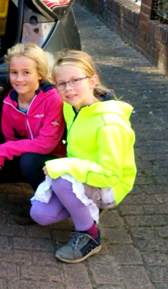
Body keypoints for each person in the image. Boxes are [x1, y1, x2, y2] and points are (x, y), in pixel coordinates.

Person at [30, 50, 136, 264]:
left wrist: (66, 165)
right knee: (40, 214)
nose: (68, 89)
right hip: (84, 177)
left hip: (109, 187)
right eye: (61, 83)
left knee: (61, 177)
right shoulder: (71, 108)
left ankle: (90, 236)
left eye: (75, 80)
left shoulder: (110, 124)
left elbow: (111, 176)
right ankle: (85, 208)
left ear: (92, 80)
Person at [0, 43, 65, 223]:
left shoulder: (53, 99)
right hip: (34, 154)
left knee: (28, 161)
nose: (19, 79)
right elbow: (10, 140)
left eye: (26, 72)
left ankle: (51, 203)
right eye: (14, 72)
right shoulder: (9, 104)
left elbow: (46, 144)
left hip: (58, 156)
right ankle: (42, 192)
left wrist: (2, 151)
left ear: (40, 73)